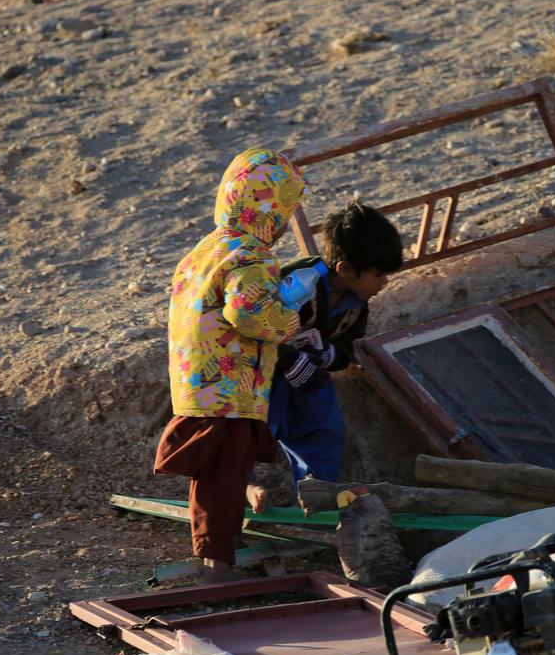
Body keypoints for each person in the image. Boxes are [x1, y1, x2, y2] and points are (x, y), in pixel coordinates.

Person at [153, 148, 306, 584]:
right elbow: (248, 313)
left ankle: (221, 547)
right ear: (268, 210)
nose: (282, 224)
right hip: (229, 384)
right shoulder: (251, 256)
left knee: (224, 468)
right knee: (222, 474)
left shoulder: (205, 249)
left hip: (197, 378)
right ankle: (217, 567)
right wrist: (288, 320)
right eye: (283, 211)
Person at [248, 201, 403, 512]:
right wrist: (288, 359)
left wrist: (327, 355)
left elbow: (348, 346)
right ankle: (243, 488)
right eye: (378, 275)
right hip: (264, 373)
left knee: (324, 429)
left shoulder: (356, 301)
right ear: (345, 269)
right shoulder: (296, 282)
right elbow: (254, 324)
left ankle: (315, 498)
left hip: (310, 377)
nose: (384, 283)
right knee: (251, 430)